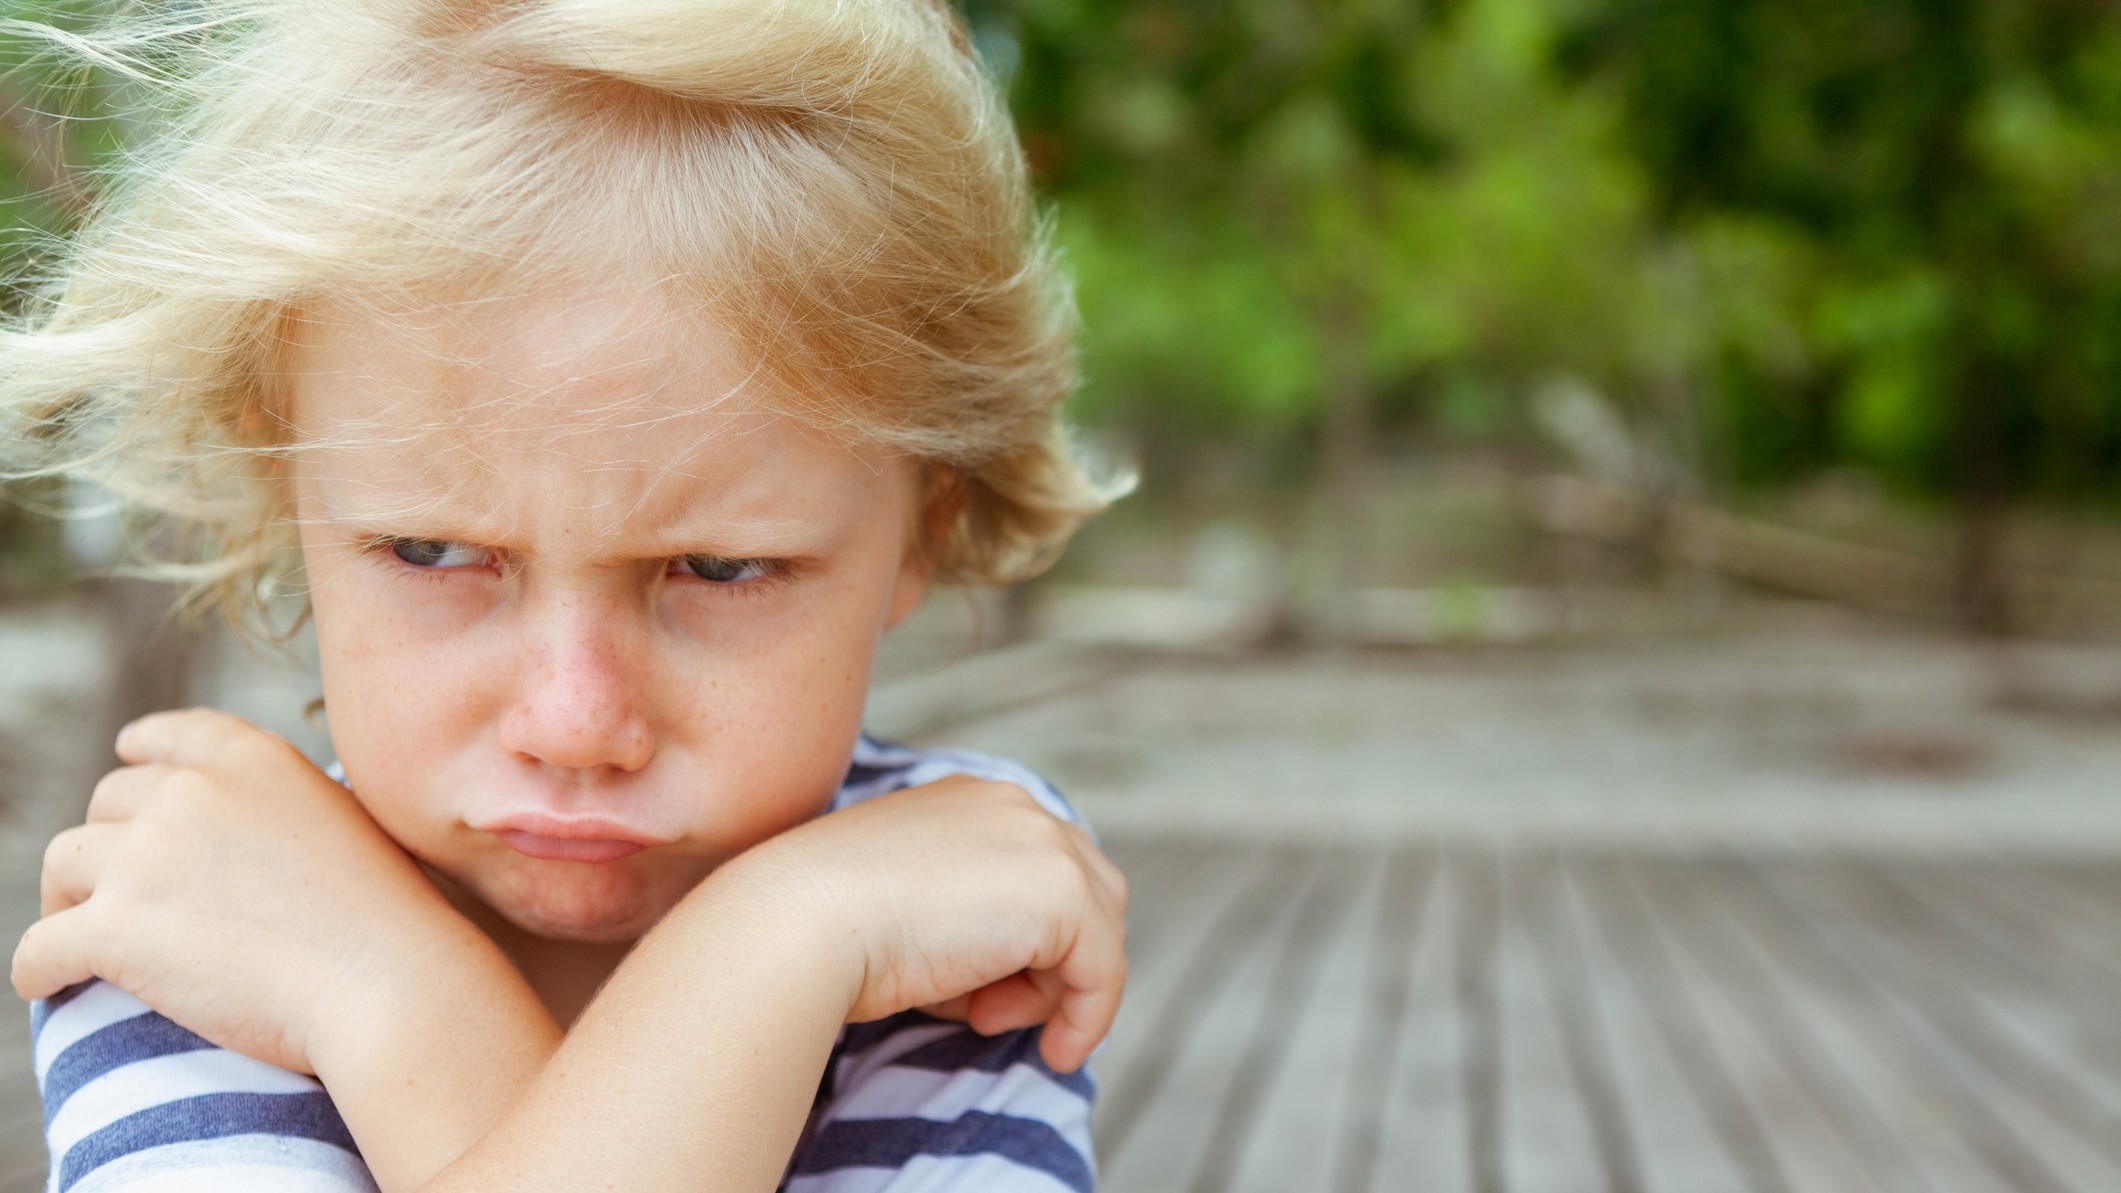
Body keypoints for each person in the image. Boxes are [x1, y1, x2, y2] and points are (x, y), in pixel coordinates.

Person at [2, 1, 1131, 1190]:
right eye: (434, 551)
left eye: (721, 567)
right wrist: (774, 948)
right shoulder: (204, 911)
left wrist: (394, 1003)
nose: (576, 723)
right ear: (292, 485)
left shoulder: (945, 897)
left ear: (924, 526)